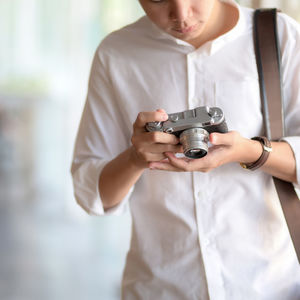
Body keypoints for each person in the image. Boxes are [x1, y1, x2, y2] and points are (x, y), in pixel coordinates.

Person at [71, 0, 300, 299]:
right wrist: (134, 159)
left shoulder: (278, 35)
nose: (181, 15)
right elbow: (91, 195)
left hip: (269, 285)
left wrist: (249, 151)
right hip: (160, 287)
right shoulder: (116, 54)